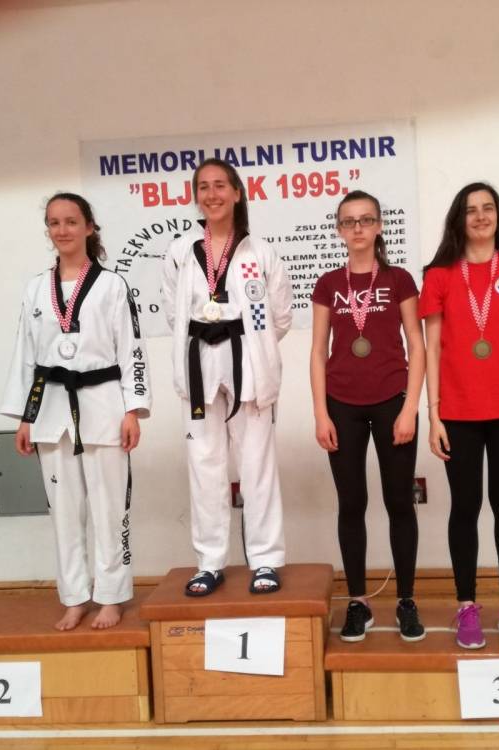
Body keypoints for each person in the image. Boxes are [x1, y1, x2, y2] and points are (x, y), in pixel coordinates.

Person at [1, 192, 151, 631]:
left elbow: (132, 350)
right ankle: (74, 597)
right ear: (48, 230)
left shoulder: (112, 285)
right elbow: (25, 355)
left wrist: (133, 409)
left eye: (70, 221)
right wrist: (25, 417)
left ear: (89, 227)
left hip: (103, 406)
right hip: (51, 409)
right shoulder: (36, 288)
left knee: (109, 510)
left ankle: (112, 596)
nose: (62, 230)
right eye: (54, 223)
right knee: (64, 514)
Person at [161, 159, 293, 597]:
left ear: (237, 193)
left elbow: (279, 317)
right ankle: (210, 561)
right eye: (204, 187)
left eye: (220, 185)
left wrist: (252, 346)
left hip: (248, 361)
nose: (212, 194)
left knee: (257, 464)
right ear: (195, 196)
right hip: (199, 359)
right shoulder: (181, 251)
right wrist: (208, 338)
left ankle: (266, 559)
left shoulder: (260, 252)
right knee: (204, 465)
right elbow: (174, 312)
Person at [418, 182, 499, 649]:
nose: (481, 216)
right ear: (459, 219)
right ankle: (466, 606)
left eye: (488, 208)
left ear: (498, 216)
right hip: (458, 413)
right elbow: (431, 349)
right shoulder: (439, 275)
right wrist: (434, 415)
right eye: (471, 210)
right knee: (464, 508)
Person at [310, 190, 427, 643]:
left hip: (393, 401)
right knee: (351, 504)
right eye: (349, 221)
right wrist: (321, 413)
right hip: (342, 404)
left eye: (365, 220)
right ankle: (358, 602)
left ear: (379, 226)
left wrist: (410, 407)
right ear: (339, 230)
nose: (357, 228)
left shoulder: (399, 279)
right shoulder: (328, 284)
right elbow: (318, 351)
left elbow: (416, 345)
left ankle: (406, 600)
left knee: (399, 503)